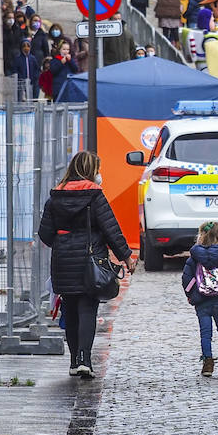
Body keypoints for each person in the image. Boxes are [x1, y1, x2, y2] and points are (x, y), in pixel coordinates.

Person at [37, 151, 132, 378]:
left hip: (63, 261)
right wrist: (126, 256)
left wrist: (62, 241)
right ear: (91, 171)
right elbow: (111, 229)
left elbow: (45, 234)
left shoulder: (55, 197)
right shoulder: (95, 196)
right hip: (91, 260)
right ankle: (85, 360)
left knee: (70, 310)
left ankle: (73, 362)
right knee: (88, 308)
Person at [181, 221, 218, 377]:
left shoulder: (194, 257)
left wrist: (191, 296)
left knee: (205, 333)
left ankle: (208, 364)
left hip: (201, 301)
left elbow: (187, 278)